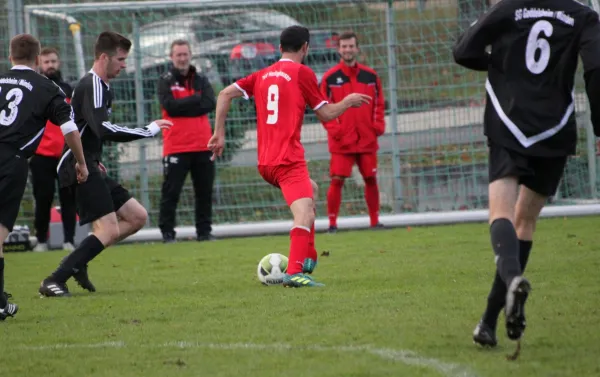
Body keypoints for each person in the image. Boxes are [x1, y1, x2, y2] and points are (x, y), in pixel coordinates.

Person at [453, 0, 600, 347]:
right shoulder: (583, 15)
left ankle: (513, 278)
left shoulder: (509, 8)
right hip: (554, 129)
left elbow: (463, 50)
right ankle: (488, 322)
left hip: (509, 122)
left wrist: (500, 64)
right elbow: (596, 69)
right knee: (525, 222)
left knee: (501, 213)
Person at [208, 25, 371, 287]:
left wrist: (219, 133)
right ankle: (295, 272)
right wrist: (349, 101)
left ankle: (308, 256)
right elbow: (327, 113)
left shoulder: (262, 74)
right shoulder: (302, 73)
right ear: (306, 47)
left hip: (266, 162)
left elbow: (224, 93)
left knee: (312, 190)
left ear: (280, 48)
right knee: (304, 212)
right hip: (288, 159)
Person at [38, 31, 172, 297]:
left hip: (88, 162)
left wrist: (94, 159)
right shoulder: (92, 85)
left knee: (137, 217)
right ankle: (55, 279)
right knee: (109, 228)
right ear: (103, 57)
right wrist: (148, 130)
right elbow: (103, 128)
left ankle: (78, 262)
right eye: (120, 59)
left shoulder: (102, 87)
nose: (124, 65)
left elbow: (88, 130)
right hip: (76, 167)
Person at [0, 34, 88, 319]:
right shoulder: (45, 87)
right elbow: (69, 128)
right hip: (11, 161)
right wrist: (81, 162)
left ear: (9, 56)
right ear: (38, 59)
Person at [319, 32, 386, 233]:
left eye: (351, 46)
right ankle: (332, 224)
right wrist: (336, 130)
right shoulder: (330, 78)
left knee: (371, 179)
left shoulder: (371, 76)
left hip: (367, 138)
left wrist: (377, 127)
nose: (347, 50)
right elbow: (323, 108)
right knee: (337, 180)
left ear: (357, 48)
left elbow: (379, 104)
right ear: (338, 49)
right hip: (342, 141)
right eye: (344, 46)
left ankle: (374, 221)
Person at [158, 39, 217, 243]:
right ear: (171, 57)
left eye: (185, 54)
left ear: (190, 55)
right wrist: (194, 100)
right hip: (176, 145)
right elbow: (170, 106)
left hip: (203, 144)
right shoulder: (165, 80)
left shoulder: (201, 79)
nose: (182, 58)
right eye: (178, 55)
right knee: (171, 192)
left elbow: (210, 103)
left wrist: (186, 104)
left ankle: (204, 232)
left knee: (204, 192)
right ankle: (167, 234)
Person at [30, 47, 78, 252]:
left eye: (53, 62)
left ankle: (69, 240)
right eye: (46, 62)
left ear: (59, 63)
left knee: (69, 199)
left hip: (65, 154)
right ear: (40, 64)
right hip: (41, 155)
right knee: (43, 198)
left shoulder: (67, 89)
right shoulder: (34, 88)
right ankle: (41, 240)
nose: (50, 65)